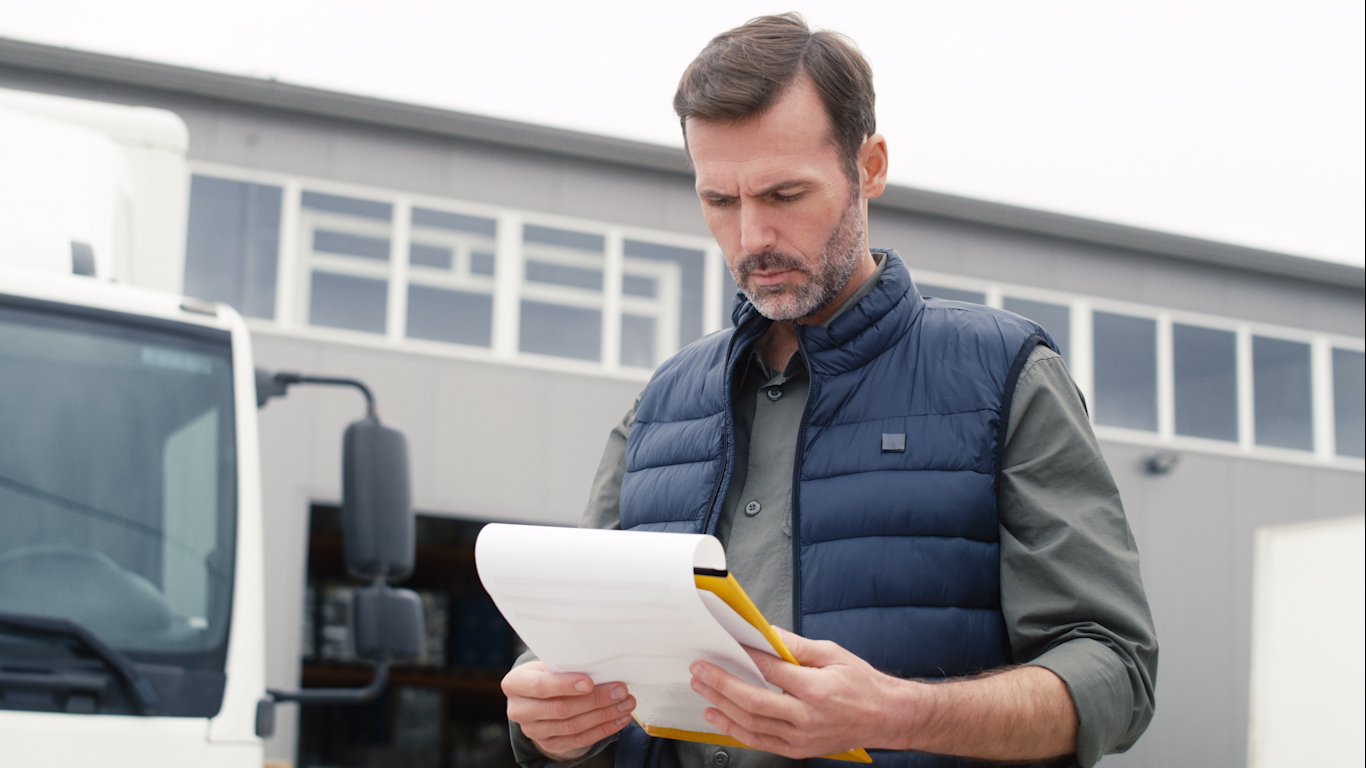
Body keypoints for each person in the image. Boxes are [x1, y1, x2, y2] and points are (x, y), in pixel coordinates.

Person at [501, 13, 1157, 768]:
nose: (752, 238)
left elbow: (1116, 674)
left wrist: (900, 713)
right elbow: (574, 644)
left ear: (869, 166)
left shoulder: (1005, 377)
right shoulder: (659, 404)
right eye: (720, 201)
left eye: (784, 194)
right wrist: (550, 718)